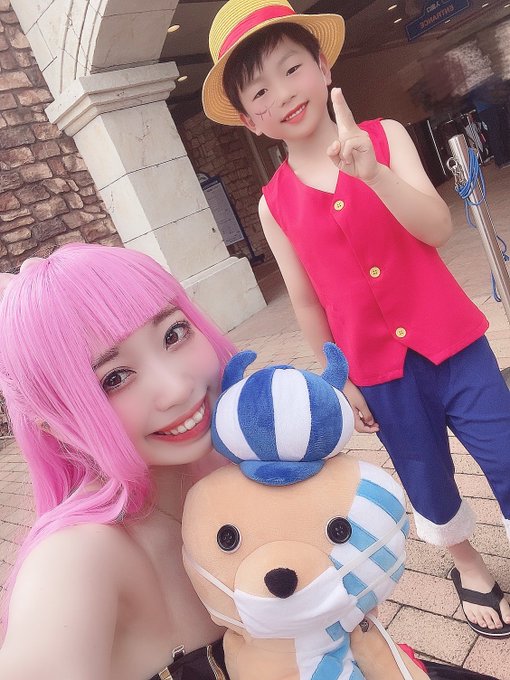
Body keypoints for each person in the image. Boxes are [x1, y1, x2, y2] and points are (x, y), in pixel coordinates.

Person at [202, 0, 510, 638]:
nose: (284, 93)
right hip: (378, 371)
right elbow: (306, 301)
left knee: (505, 448)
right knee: (424, 473)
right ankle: (468, 564)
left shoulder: (385, 136)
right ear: (250, 119)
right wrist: (338, 379)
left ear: (322, 66)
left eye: (292, 68)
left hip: (455, 343)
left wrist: (375, 176)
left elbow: (437, 227)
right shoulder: (273, 204)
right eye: (260, 91)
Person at [0, 243, 236, 679]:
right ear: (57, 426)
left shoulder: (242, 466)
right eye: (114, 378)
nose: (177, 389)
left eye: (173, 334)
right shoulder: (77, 559)